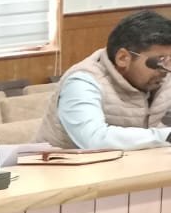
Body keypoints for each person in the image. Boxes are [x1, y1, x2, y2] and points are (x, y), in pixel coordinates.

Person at [35, 9, 171, 150]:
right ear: (123, 58)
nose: (166, 70)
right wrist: (165, 136)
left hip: (134, 161)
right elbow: (94, 139)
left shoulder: (162, 78)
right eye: (160, 61)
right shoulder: (82, 82)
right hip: (63, 163)